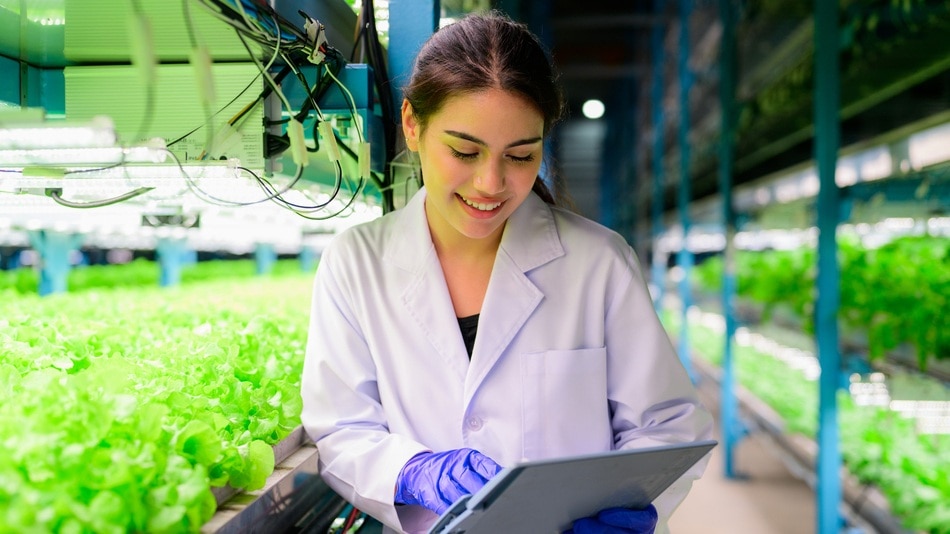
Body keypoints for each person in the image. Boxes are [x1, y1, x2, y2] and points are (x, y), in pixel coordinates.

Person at [300, 11, 713, 534]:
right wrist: (410, 471)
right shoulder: (356, 263)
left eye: (521, 156)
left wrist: (629, 508)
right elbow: (341, 429)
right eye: (464, 151)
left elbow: (669, 425)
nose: (491, 183)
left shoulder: (598, 262)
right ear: (412, 125)